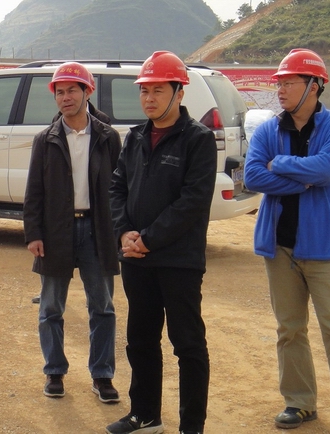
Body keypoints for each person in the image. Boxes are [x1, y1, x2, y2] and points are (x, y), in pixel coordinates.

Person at [243, 49, 330, 434]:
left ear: (314, 86)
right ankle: (299, 403)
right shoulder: (268, 130)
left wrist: (281, 165)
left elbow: (328, 170)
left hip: (326, 248)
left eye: (289, 82)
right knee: (289, 329)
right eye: (279, 83)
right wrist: (304, 179)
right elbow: (253, 177)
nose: (280, 90)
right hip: (279, 246)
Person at [106, 51, 217, 434]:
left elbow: (192, 201)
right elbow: (117, 188)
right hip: (136, 259)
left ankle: (192, 426)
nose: (149, 98)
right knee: (140, 340)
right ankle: (145, 415)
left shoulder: (198, 139)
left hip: (179, 260)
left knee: (188, 344)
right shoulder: (135, 137)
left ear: (179, 92)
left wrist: (148, 239)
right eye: (144, 91)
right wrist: (124, 232)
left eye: (158, 90)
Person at [23, 61, 122, 403]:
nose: (65, 98)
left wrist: (121, 229)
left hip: (98, 230)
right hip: (56, 231)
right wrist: (34, 233)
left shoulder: (108, 137)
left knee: (103, 307)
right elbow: (34, 190)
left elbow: (120, 189)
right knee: (51, 307)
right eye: (59, 92)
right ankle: (54, 371)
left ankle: (102, 375)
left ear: (87, 92)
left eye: (72, 91)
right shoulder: (46, 139)